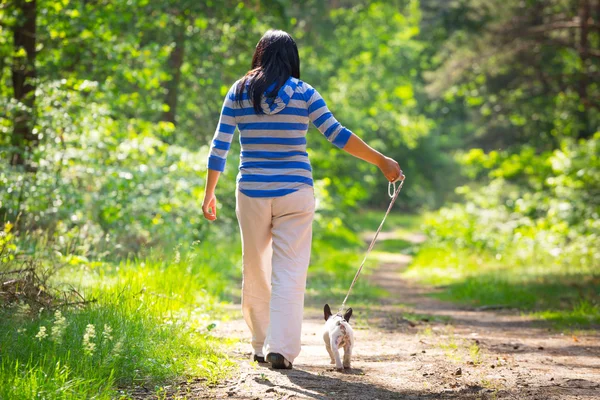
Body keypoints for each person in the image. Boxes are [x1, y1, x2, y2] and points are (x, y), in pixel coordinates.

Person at [202, 29, 403, 370]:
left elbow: (220, 145)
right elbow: (338, 134)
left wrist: (209, 192)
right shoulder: (304, 93)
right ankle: (278, 349)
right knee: (290, 272)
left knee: (255, 268)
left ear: (259, 55)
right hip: (295, 193)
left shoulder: (239, 91)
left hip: (251, 192)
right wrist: (381, 160)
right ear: (293, 59)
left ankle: (258, 343)